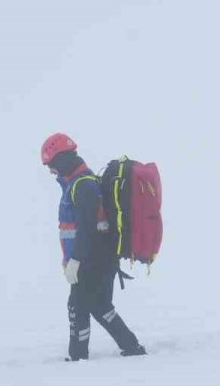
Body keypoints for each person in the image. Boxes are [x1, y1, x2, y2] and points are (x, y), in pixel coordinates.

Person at [41, 133, 146, 360]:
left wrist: (76, 260)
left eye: (51, 165)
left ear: (62, 160)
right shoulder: (81, 183)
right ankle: (131, 347)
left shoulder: (83, 186)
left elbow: (87, 227)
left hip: (92, 259)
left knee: (77, 306)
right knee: (100, 306)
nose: (51, 171)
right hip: (100, 257)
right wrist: (69, 259)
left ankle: (78, 357)